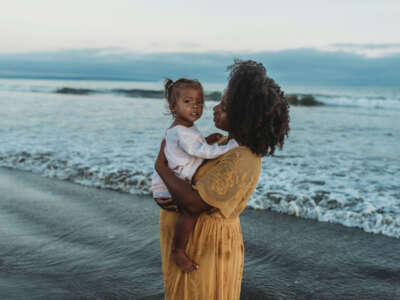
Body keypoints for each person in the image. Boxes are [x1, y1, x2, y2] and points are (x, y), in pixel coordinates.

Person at [154, 59, 290, 300]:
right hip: (190, 242)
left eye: (224, 107)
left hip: (206, 249)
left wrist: (161, 167)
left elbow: (194, 204)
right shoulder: (220, 143)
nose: (214, 108)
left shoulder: (244, 157)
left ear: (242, 116)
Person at [151, 78, 239, 273]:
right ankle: (178, 251)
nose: (196, 107)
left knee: (192, 209)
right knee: (191, 211)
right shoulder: (181, 132)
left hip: (173, 183)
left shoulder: (184, 128)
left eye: (199, 102)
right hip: (167, 190)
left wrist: (206, 140)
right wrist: (227, 146)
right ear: (174, 107)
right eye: (188, 101)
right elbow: (202, 153)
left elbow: (190, 150)